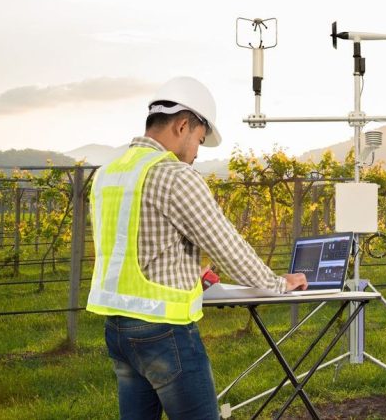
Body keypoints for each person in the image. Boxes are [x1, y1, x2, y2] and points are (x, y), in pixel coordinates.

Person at [86, 76, 308, 420]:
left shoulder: (108, 174)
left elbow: (131, 245)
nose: (196, 153)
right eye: (199, 141)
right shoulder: (174, 176)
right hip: (164, 331)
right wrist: (279, 283)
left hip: (118, 331)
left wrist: (194, 272)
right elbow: (228, 246)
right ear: (183, 125)